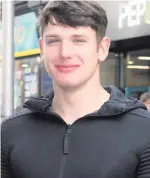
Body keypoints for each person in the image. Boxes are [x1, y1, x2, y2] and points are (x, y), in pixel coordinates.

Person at [1, 1, 150, 178]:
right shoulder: (11, 131)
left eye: (78, 40)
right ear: (42, 49)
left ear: (102, 49)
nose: (65, 52)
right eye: (54, 41)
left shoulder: (143, 129)